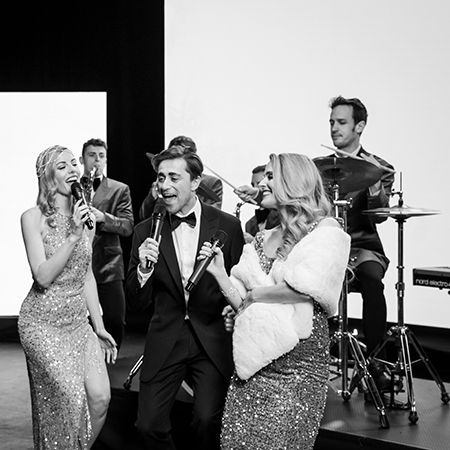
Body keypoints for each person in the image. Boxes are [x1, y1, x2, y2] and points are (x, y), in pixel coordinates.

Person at [198, 153, 350, 449]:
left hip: (298, 370)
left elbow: (307, 289)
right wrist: (220, 275)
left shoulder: (326, 232)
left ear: (292, 181)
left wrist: (255, 295)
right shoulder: (260, 238)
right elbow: (241, 303)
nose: (262, 184)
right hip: (253, 366)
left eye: (270, 176)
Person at [125, 145, 244, 449]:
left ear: (195, 182)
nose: (164, 185)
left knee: (207, 420)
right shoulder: (144, 231)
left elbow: (239, 284)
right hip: (166, 336)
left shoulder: (228, 226)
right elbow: (136, 303)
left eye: (174, 177)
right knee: (148, 426)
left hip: (212, 338)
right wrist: (143, 271)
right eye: (160, 177)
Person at [18, 145, 117, 449]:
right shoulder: (32, 218)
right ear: (48, 177)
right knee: (71, 400)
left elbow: (86, 275)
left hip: (77, 323)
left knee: (100, 398)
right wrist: (73, 236)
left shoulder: (86, 219)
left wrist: (99, 326)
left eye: (74, 163)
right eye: (62, 166)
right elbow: (42, 276)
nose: (73, 169)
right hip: (41, 324)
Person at [328, 96, 395, 390]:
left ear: (360, 126)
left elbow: (379, 216)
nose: (334, 128)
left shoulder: (381, 167)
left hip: (364, 245)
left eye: (341, 122)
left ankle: (375, 362)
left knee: (371, 279)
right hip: (330, 246)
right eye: (332, 122)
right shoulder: (322, 168)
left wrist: (373, 180)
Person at [79, 138, 134, 350]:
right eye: (92, 155)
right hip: (76, 261)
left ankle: (111, 356)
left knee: (115, 318)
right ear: (82, 159)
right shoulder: (71, 187)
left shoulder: (120, 189)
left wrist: (104, 218)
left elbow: (128, 226)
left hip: (108, 264)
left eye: (101, 156)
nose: (97, 160)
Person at [139, 135, 223, 220]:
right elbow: (144, 217)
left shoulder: (212, 183)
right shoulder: (161, 184)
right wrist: (152, 196)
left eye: (174, 178)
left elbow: (213, 218)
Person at [243, 164, 279, 243]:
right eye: (253, 185)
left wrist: (254, 241)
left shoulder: (284, 214)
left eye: (259, 183)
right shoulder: (249, 224)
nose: (256, 187)